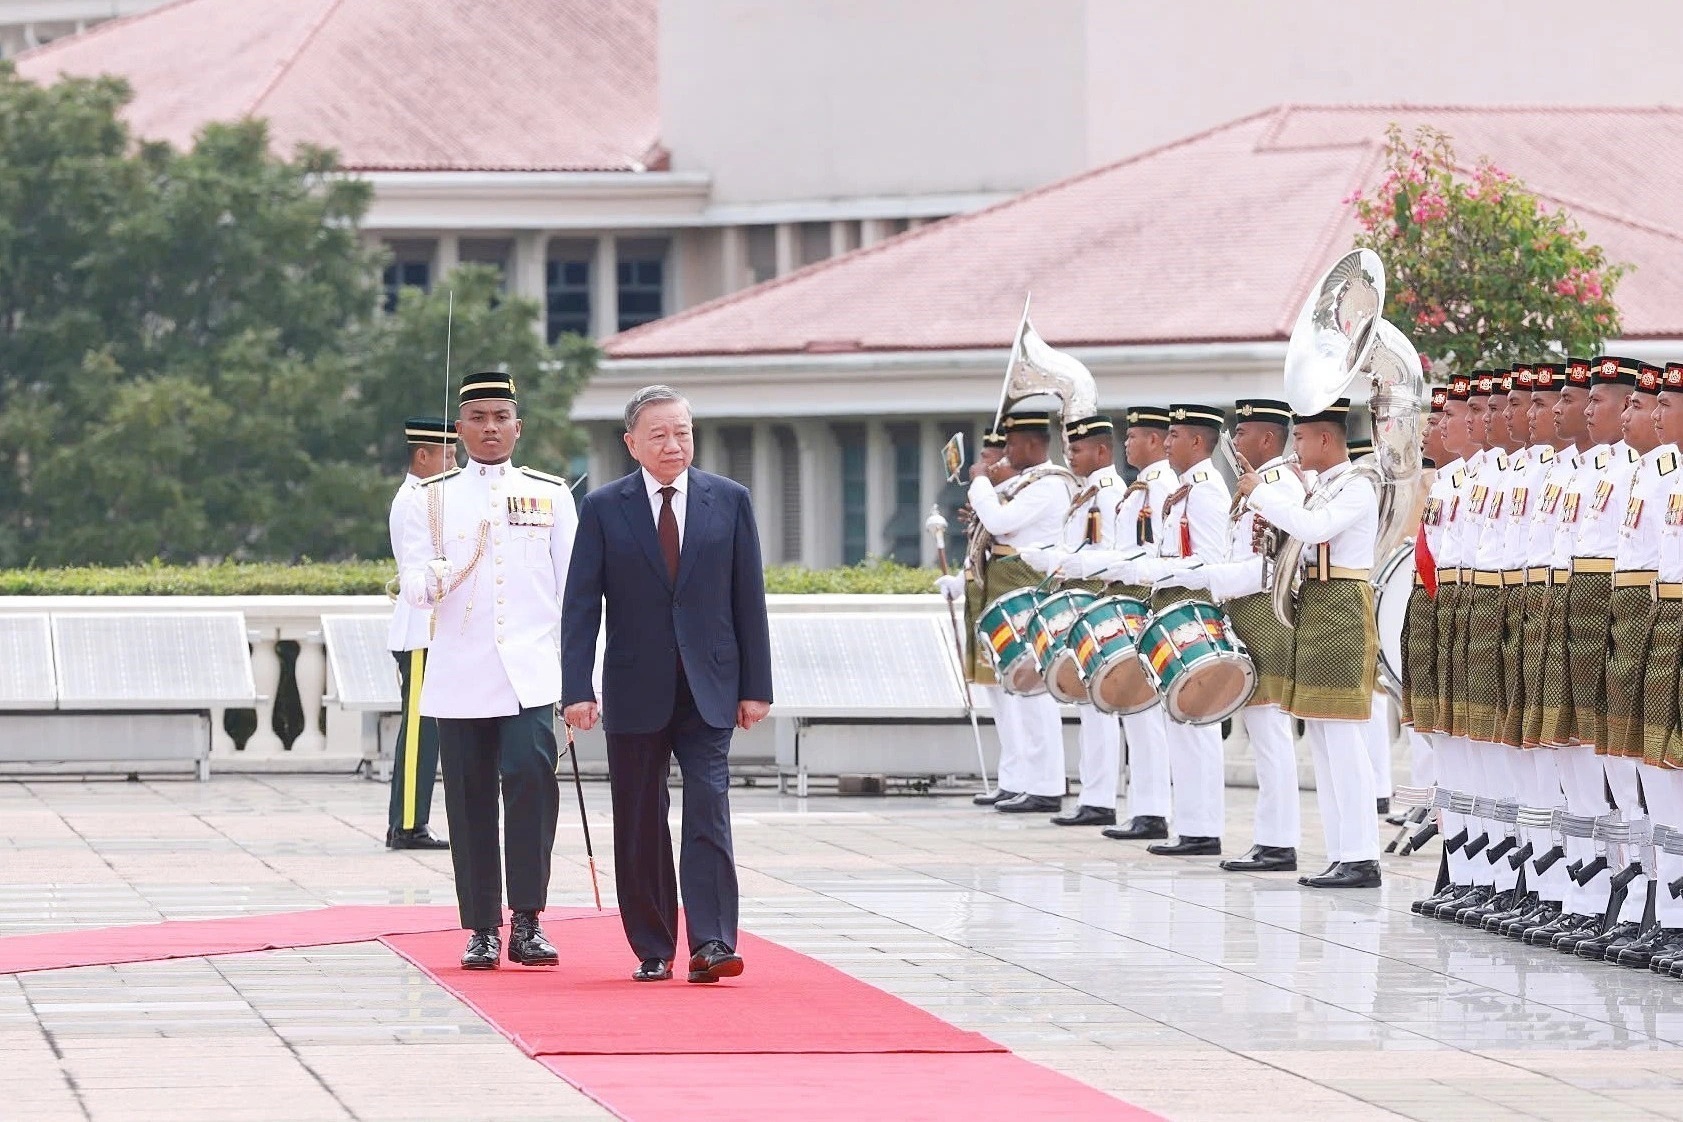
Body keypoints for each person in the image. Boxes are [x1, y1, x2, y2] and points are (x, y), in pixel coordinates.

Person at [562, 384, 772, 984]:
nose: (674, 443)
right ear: (632, 444)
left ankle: (712, 942)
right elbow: (581, 607)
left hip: (710, 686)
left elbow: (747, 599)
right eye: (659, 434)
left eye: (682, 431)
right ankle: (653, 944)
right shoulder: (604, 508)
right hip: (634, 688)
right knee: (639, 816)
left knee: (709, 805)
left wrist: (755, 685)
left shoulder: (729, 502)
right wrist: (576, 689)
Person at [399, 370, 578, 970]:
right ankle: (480, 926)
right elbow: (413, 585)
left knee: (532, 780)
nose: (491, 428)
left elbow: (572, 592)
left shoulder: (550, 494)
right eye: (478, 418)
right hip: (461, 672)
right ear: (460, 429)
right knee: (470, 799)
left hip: (528, 671)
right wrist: (433, 577)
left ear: (518, 427)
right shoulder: (430, 498)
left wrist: (582, 679)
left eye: (501, 418)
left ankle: (528, 919)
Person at [1240, 397, 1382, 888]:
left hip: (1342, 603)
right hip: (1316, 602)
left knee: (1343, 736)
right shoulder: (1322, 486)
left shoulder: (1360, 484)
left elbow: (1314, 528)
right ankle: (1343, 850)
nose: (1294, 446)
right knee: (1321, 736)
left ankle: (1363, 854)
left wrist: (1262, 494)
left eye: (1300, 438)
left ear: (1325, 438)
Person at [1160, 399, 1301, 872]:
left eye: (1242, 433)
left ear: (1267, 439)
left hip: (1266, 611)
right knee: (1261, 731)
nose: (1234, 442)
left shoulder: (1280, 485)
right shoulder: (1256, 486)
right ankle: (1269, 838)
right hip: (1245, 609)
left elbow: (1267, 566)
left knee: (1270, 732)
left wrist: (1206, 578)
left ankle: (1279, 841)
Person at [1103, 404, 1232, 857]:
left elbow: (1213, 560)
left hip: (1192, 607)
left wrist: (1157, 570)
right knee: (1180, 721)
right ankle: (1191, 824)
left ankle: (1204, 827)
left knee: (1196, 722)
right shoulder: (1184, 490)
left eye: (1175, 435)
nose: (1167, 442)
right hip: (1172, 603)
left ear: (1198, 442)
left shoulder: (1207, 491)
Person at [958, 411, 1077, 813]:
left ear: (1030, 445)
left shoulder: (1048, 485)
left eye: (1010, 445)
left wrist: (979, 480)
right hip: (1008, 586)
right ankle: (1021, 779)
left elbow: (999, 519)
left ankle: (1045, 785)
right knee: (1013, 689)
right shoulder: (1026, 483)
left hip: (1029, 587)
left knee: (1033, 689)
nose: (1004, 454)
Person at [1020, 413, 1128, 826]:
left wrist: (1060, 560)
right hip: (1077, 604)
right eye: (1068, 448)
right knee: (1088, 707)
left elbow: (1109, 556)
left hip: (1096, 602)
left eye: (1078, 449)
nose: (1070, 456)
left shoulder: (1110, 493)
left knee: (1099, 709)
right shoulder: (1086, 493)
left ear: (1102, 450)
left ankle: (1101, 799)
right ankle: (1092, 794)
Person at [385, 416, 456, 851]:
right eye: (449, 455)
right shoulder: (417, 500)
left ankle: (411, 819)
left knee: (426, 729)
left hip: (429, 631)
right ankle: (408, 823)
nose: (455, 463)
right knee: (418, 731)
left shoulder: (427, 497)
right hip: (419, 630)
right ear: (423, 456)